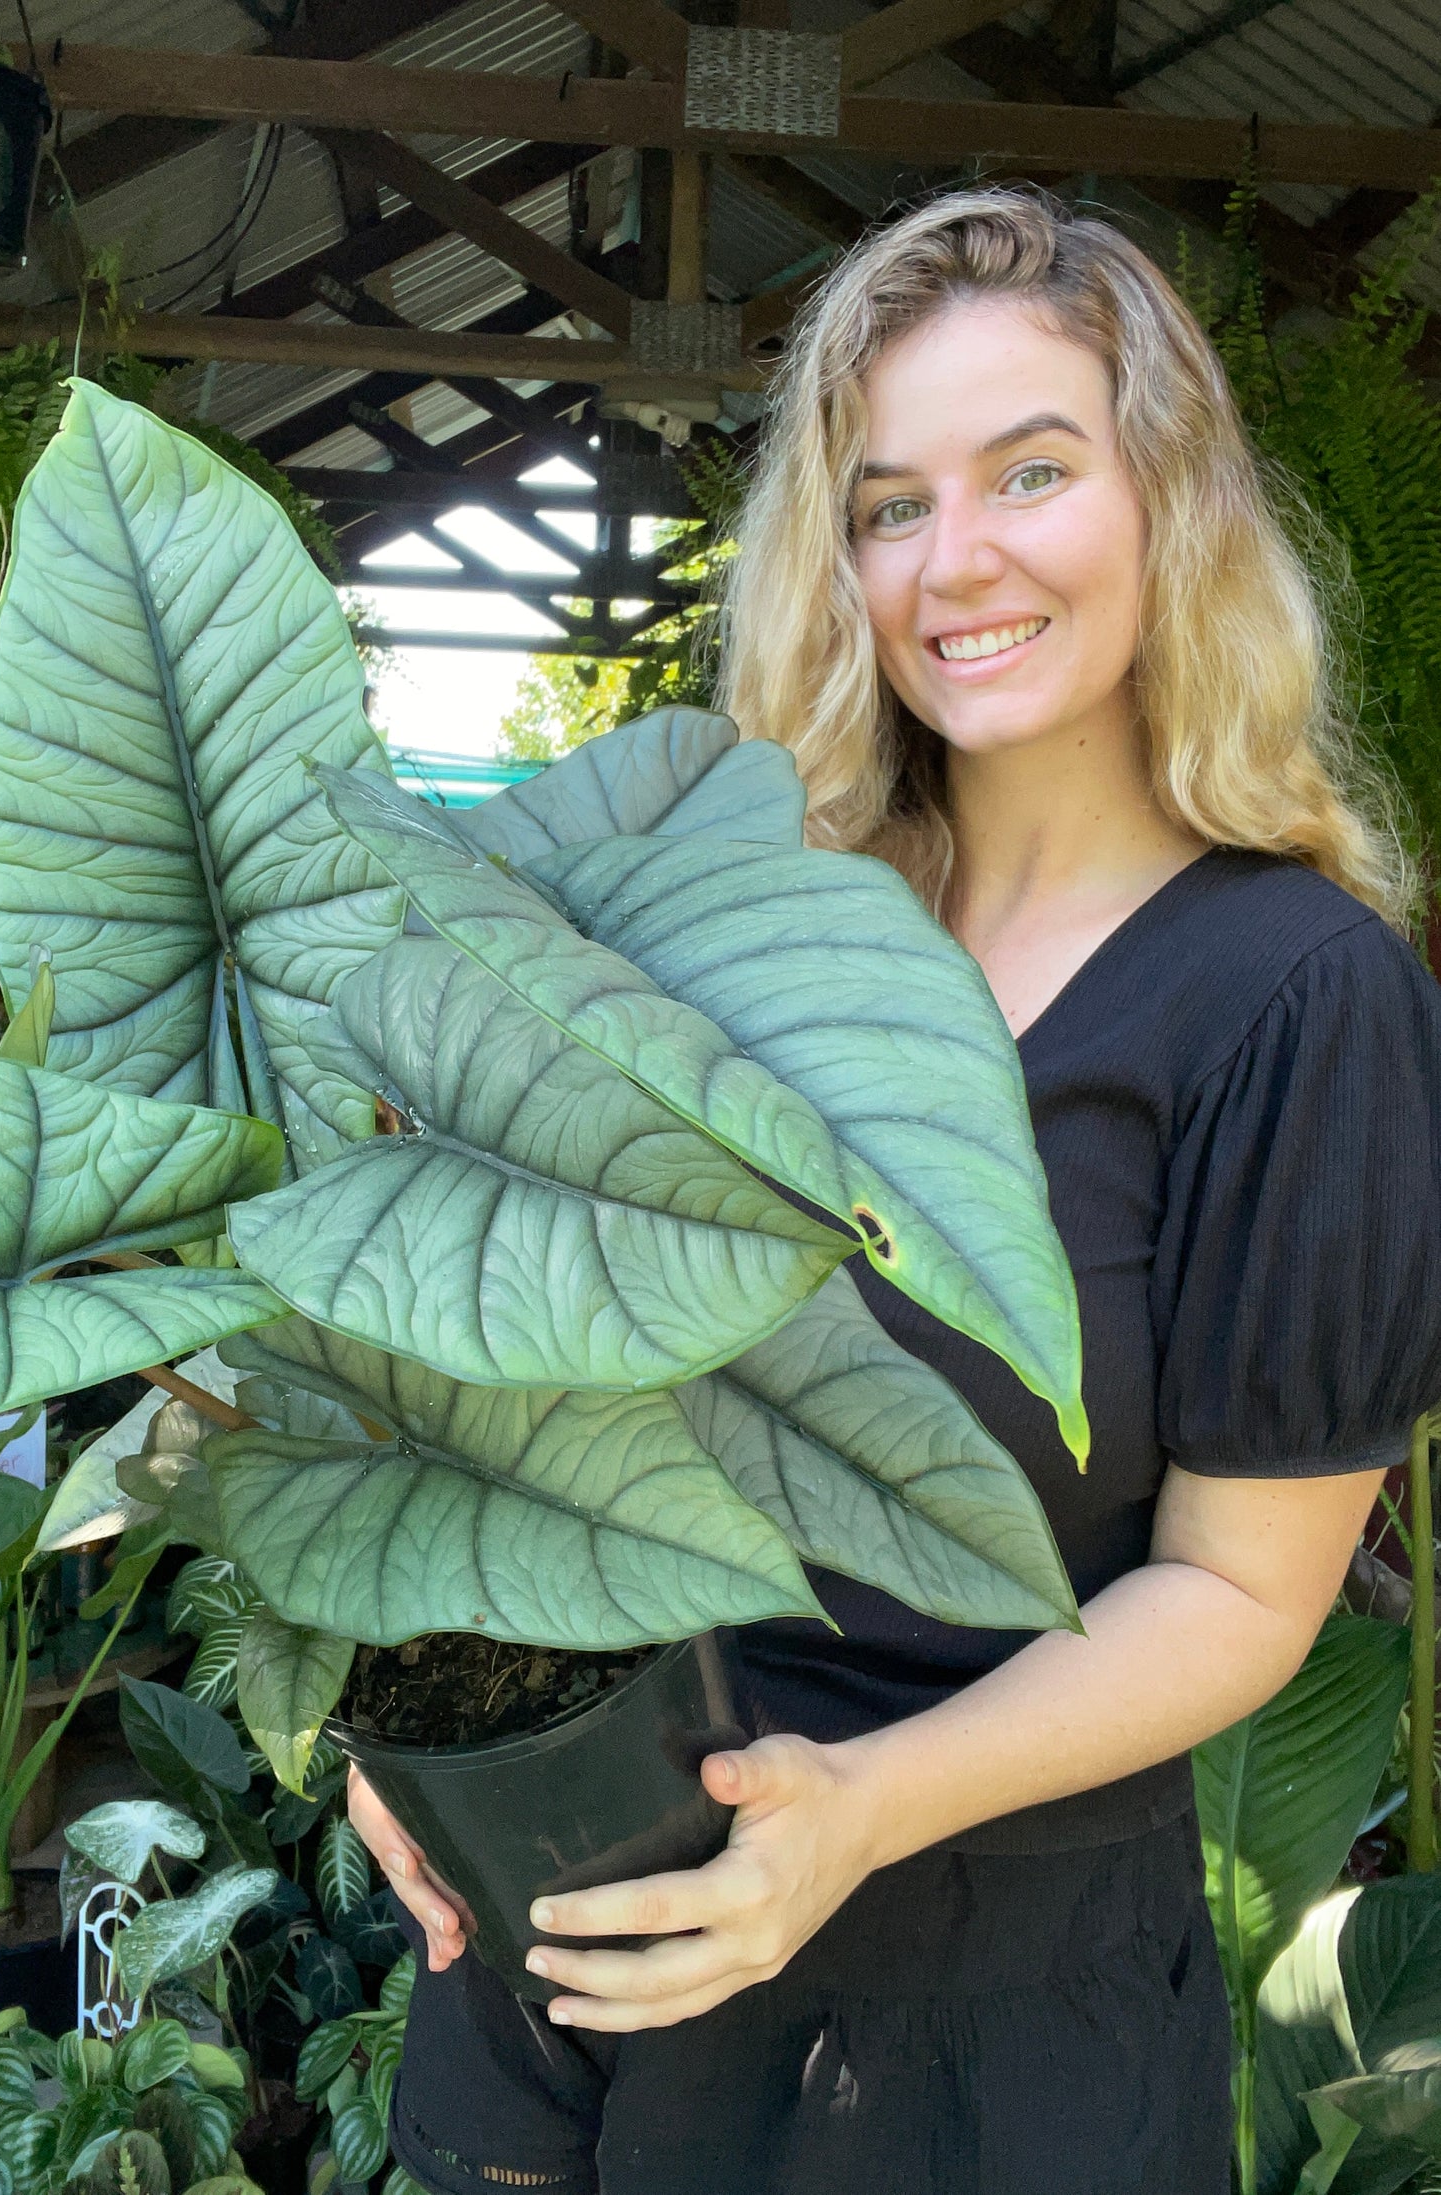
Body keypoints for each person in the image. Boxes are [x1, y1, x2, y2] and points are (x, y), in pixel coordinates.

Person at [349, 187, 1441, 2195]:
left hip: (967, 2029)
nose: (958, 561)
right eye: (885, 504)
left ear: (1167, 506)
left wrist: (852, 1805)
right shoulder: (738, 923)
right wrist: (405, 1722)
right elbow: (520, 1388)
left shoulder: (1294, 998)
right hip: (564, 1969)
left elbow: (1235, 1590)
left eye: (1031, 470)